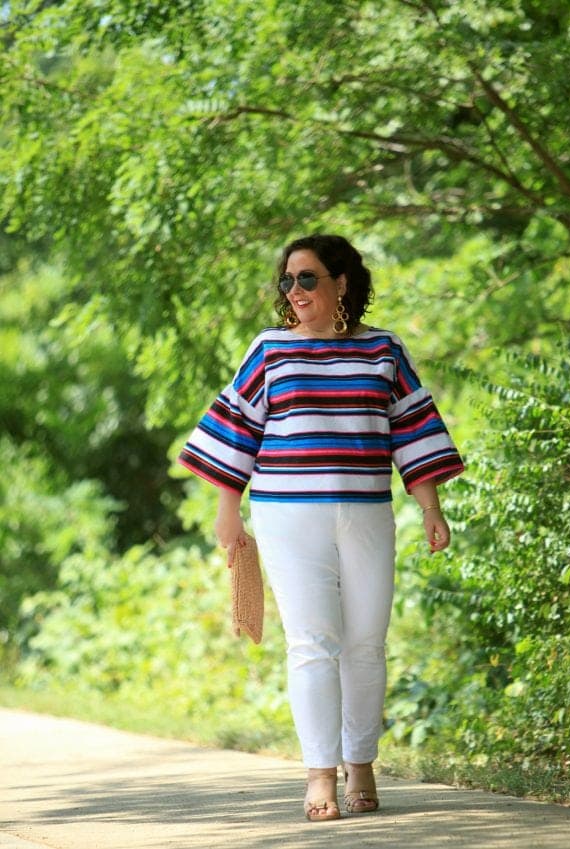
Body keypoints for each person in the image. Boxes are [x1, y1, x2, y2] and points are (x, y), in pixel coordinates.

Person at [178, 234, 464, 822]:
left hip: (366, 514)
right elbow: (237, 429)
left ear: (342, 283)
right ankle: (319, 774)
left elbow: (412, 426)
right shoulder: (269, 350)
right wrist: (227, 512)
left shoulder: (384, 350)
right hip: (287, 515)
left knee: (366, 643)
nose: (295, 291)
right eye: (287, 281)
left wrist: (430, 507)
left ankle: (361, 765)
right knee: (311, 643)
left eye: (307, 278)